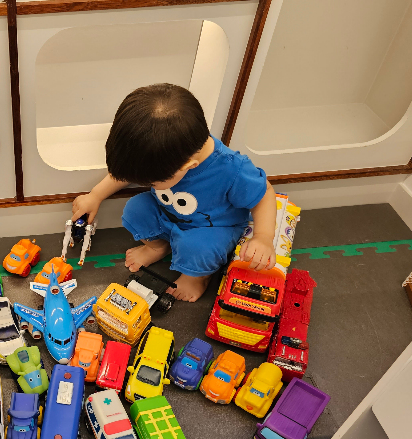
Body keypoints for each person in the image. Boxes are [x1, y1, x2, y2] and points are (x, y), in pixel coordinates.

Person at [72, 83, 278, 302]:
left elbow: (264, 193)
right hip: (168, 216)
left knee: (197, 247)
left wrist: (263, 237)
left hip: (211, 230)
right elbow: (130, 171)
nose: (147, 184)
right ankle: (158, 247)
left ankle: (197, 277)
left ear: (189, 167)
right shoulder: (168, 149)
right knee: (135, 209)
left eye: (152, 182)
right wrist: (95, 195)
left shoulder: (232, 169)